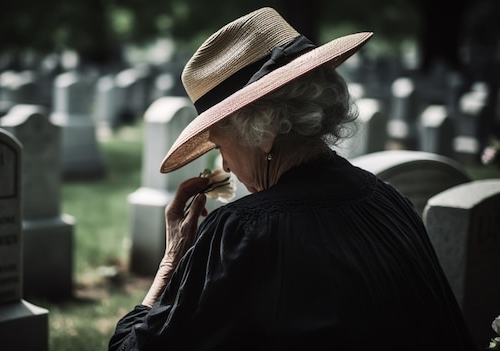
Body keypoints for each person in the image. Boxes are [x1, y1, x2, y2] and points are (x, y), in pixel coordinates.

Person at [109, 7, 477, 351]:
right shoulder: (387, 200)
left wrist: (172, 261)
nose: (225, 165)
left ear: (265, 130)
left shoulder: (244, 232)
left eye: (220, 143)